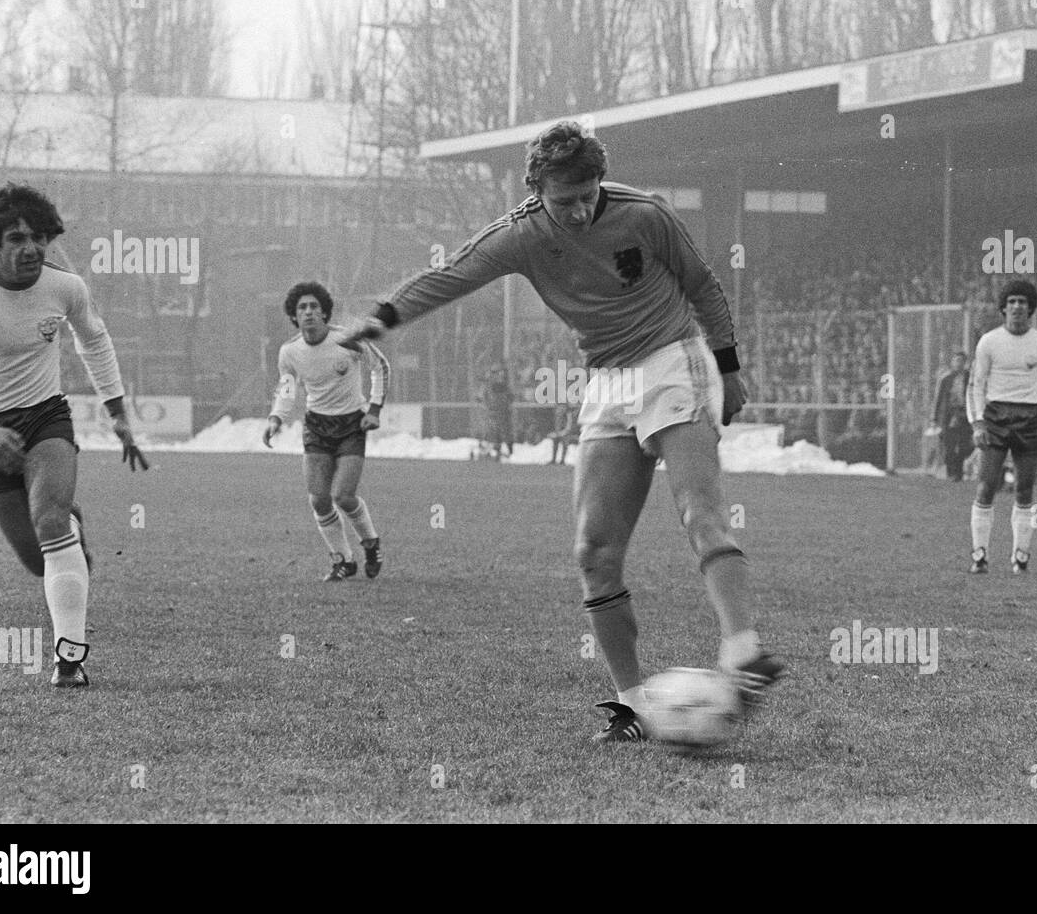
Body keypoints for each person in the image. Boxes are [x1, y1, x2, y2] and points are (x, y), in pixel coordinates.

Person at [331, 120, 783, 742]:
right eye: (563, 199)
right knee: (594, 553)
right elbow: (451, 276)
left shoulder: (645, 215)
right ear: (536, 189)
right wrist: (381, 320)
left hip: (674, 361)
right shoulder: (519, 236)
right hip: (607, 383)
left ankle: (743, 650)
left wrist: (728, 369)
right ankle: (633, 708)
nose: (577, 210)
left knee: (699, 514)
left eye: (588, 194)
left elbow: (703, 285)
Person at [0, 183, 148, 687]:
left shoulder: (65, 287)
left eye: (39, 237)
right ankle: (64, 526)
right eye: (16, 238)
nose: (30, 248)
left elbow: (95, 341)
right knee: (38, 561)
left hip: (46, 417)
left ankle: (69, 659)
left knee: (50, 520)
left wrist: (118, 412)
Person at [264, 282, 389, 582]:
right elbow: (287, 387)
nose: (308, 312)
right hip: (317, 426)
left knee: (343, 496)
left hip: (350, 425)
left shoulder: (347, 339)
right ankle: (343, 561)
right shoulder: (289, 351)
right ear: (294, 316)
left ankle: (370, 544)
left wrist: (373, 410)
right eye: (301, 308)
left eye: (313, 307)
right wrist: (276, 419)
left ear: (324, 312)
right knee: (319, 499)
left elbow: (380, 366)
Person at [967, 279, 1037, 574]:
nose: (1016, 307)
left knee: (1025, 489)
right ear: (1003, 307)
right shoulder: (988, 341)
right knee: (986, 486)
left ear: (1031, 308)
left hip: (1029, 417)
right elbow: (976, 385)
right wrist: (978, 423)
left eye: (1022, 302)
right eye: (1011, 301)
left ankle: (1021, 557)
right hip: (995, 415)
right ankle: (979, 555)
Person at [931, 351, 973, 481]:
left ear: (965, 363)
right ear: (952, 362)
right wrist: (934, 418)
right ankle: (951, 473)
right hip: (949, 415)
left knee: (963, 444)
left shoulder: (969, 377)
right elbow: (939, 399)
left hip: (964, 415)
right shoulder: (946, 378)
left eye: (961, 361)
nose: (958, 363)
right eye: (956, 360)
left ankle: (959, 473)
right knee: (949, 445)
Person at [477, 362, 514, 460]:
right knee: (494, 431)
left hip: (502, 412)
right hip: (493, 412)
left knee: (505, 431)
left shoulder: (503, 385)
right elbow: (482, 397)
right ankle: (495, 450)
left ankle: (510, 452)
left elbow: (509, 397)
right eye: (494, 372)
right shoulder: (488, 385)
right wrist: (486, 406)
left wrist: (505, 405)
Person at [548, 397, 579, 465]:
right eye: (559, 406)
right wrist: (554, 432)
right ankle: (553, 459)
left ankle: (562, 460)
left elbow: (569, 423)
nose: (560, 408)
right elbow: (554, 423)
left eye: (562, 406)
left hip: (565, 432)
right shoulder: (556, 414)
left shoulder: (568, 414)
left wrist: (565, 431)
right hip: (558, 432)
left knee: (564, 445)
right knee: (555, 444)